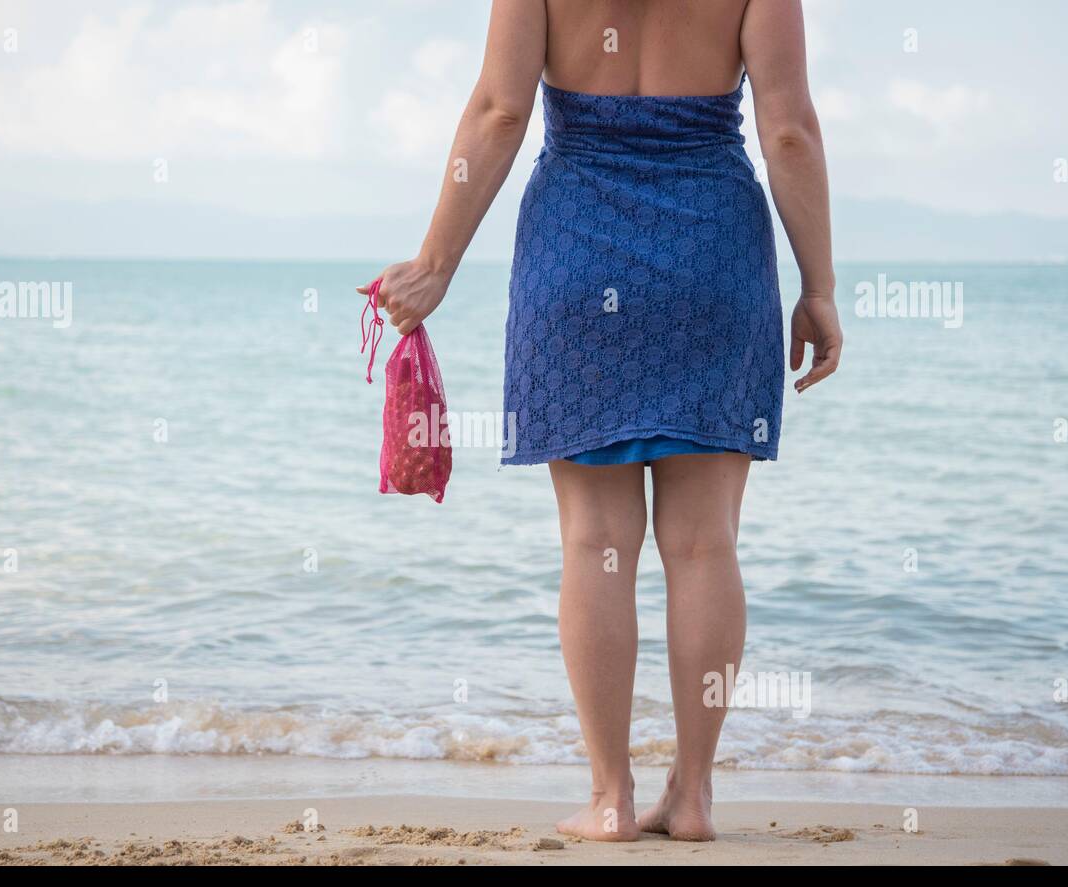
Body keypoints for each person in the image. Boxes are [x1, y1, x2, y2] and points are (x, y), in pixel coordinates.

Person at [358, 0, 841, 841]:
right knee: (704, 544)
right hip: (711, 259)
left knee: (593, 540)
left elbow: (500, 110)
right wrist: (820, 287)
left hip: (579, 257)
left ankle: (611, 799)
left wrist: (436, 264)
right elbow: (789, 130)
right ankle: (691, 799)